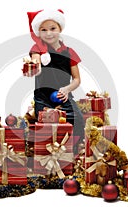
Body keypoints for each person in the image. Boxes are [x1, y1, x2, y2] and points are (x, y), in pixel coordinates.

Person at [26, 9, 85, 154]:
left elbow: (77, 79)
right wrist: (33, 68)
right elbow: (36, 64)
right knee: (45, 126)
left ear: (60, 29)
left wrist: (66, 89)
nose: (49, 33)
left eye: (53, 28)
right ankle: (45, 153)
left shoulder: (69, 52)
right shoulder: (37, 50)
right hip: (43, 98)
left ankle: (74, 150)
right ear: (38, 32)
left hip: (63, 95)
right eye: (43, 30)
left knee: (78, 119)